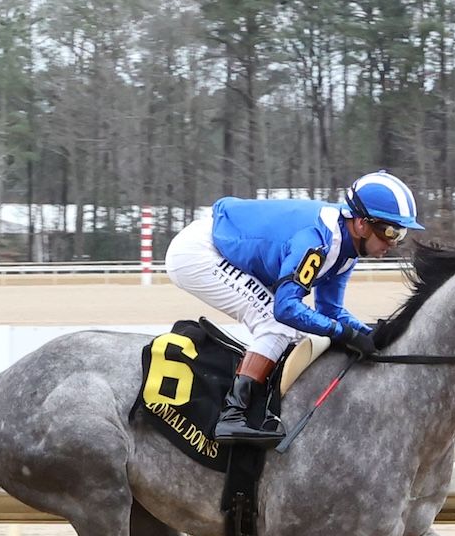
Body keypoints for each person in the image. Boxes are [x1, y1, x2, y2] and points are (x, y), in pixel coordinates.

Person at [164, 170, 424, 445]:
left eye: (401, 233)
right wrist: (345, 334)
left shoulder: (347, 250)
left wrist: (371, 333)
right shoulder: (316, 242)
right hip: (198, 252)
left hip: (221, 242)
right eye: (390, 231)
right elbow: (285, 308)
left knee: (294, 331)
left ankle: (257, 406)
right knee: (276, 325)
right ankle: (232, 415)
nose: (393, 243)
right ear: (361, 223)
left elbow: (330, 310)